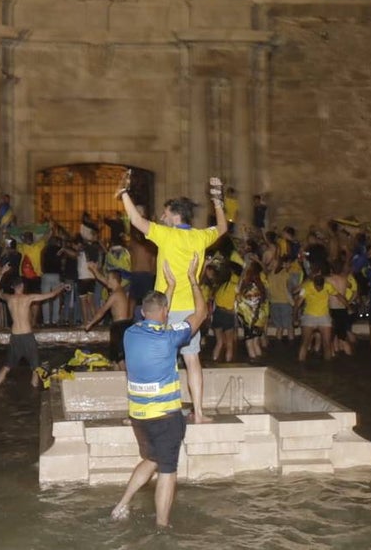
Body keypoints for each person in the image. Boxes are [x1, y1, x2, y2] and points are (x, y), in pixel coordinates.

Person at [118, 170, 227, 424]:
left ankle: (147, 413)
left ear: (176, 216)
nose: (163, 217)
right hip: (191, 310)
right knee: (192, 360)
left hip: (163, 310)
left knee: (154, 359)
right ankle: (198, 413)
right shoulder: (200, 236)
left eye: (166, 213)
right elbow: (222, 227)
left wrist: (123, 193)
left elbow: (135, 219)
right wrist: (218, 202)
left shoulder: (166, 234)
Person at [111, 256, 207, 527]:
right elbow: (200, 314)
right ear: (165, 312)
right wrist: (192, 281)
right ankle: (162, 528)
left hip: (139, 416)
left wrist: (170, 287)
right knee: (167, 470)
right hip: (165, 418)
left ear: (142, 312)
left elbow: (157, 313)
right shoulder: (170, 336)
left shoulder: (130, 333)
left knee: (151, 458)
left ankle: (122, 504)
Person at [0, 267, 66, 388]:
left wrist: (1, 273)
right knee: (36, 368)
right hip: (27, 336)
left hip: (15, 337)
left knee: (6, 366)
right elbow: (51, 294)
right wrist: (61, 287)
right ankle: (34, 392)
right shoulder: (28, 298)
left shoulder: (9, 298)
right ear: (22, 286)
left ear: (12, 287)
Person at [83, 262, 133, 369]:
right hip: (120, 326)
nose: (107, 281)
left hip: (120, 327)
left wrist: (90, 324)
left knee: (120, 358)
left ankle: (126, 382)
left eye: (109, 279)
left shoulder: (115, 295)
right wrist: (94, 270)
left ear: (114, 280)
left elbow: (102, 311)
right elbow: (101, 279)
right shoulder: (119, 290)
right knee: (115, 358)